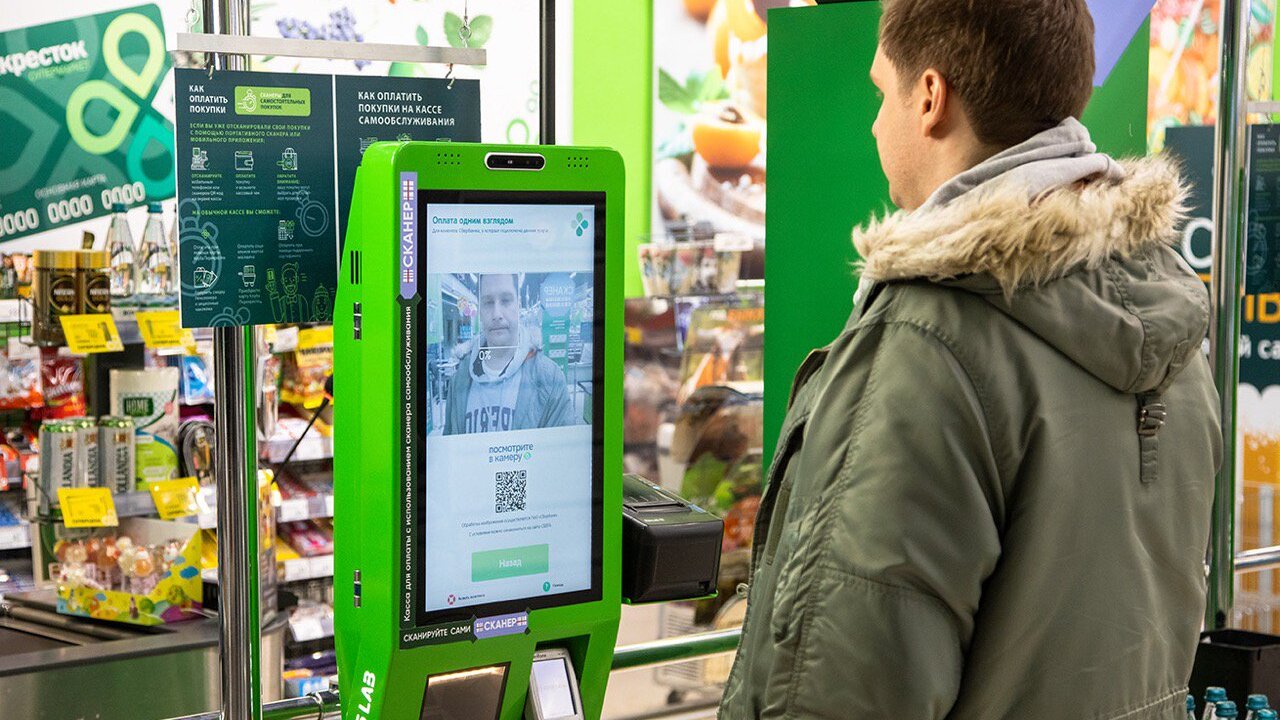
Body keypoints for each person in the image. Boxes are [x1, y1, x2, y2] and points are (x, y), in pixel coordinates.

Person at [719, 2, 1222, 719]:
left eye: (880, 92)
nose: (875, 125)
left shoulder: (926, 345)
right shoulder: (1173, 323)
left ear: (930, 97)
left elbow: (850, 687)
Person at [444, 273, 575, 434]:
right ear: (480, 310)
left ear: (518, 306)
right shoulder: (459, 378)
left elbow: (561, 446)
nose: (497, 314)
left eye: (506, 300)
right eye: (488, 302)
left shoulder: (550, 379)